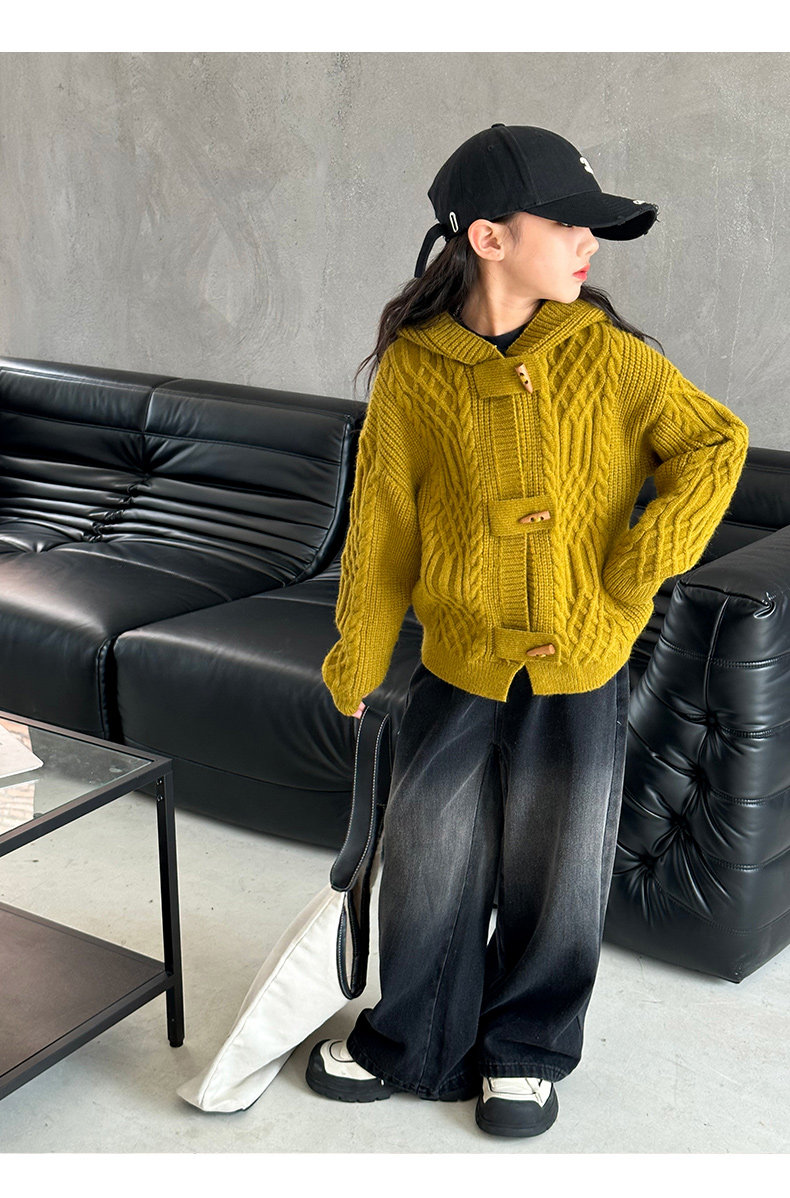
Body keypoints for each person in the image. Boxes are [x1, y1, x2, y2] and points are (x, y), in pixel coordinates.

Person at [306, 124, 750, 1138]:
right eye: (568, 224)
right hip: (459, 658)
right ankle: (412, 1037)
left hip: (579, 663)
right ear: (489, 237)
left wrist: (637, 565)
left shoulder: (613, 358)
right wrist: (358, 654)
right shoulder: (415, 371)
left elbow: (715, 443)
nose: (589, 244)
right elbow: (382, 526)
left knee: (559, 865)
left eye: (595, 229)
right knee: (427, 854)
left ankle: (526, 1051)